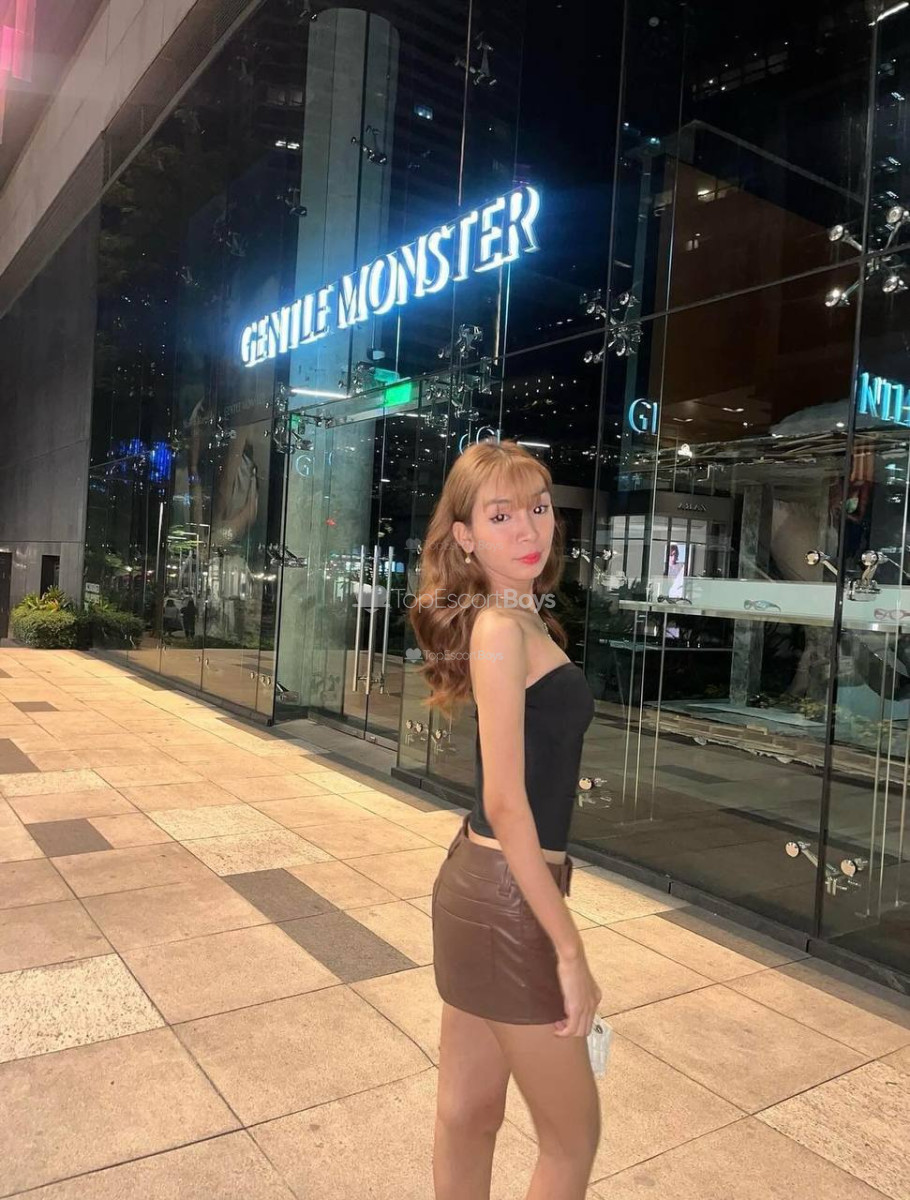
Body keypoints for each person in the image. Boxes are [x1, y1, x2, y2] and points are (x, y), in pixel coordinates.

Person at [409, 439, 601, 1200]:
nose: (529, 529)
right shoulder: (499, 629)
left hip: (484, 885)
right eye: (501, 516)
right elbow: (507, 802)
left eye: (539, 508)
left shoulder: (524, 619)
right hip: (509, 897)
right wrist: (569, 949)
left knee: (468, 1113)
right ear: (464, 536)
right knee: (572, 1139)